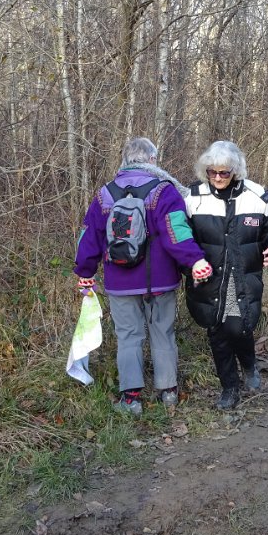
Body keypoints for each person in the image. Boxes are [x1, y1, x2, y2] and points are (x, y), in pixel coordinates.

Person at [74, 137, 212, 415]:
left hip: (119, 282)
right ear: (152, 160)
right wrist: (195, 260)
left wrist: (84, 272)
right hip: (160, 280)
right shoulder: (164, 191)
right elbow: (177, 232)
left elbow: (89, 236)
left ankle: (131, 399)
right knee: (163, 332)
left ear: (125, 160)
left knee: (128, 337)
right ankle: (168, 392)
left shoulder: (105, 194)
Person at [184, 141, 268, 410]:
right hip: (208, 281)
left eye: (224, 172)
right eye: (212, 172)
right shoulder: (192, 198)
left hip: (243, 278)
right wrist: (191, 263)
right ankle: (229, 388)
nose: (218, 177)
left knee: (238, 327)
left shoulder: (257, 196)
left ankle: (249, 363)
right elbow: (180, 238)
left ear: (236, 171)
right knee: (217, 332)